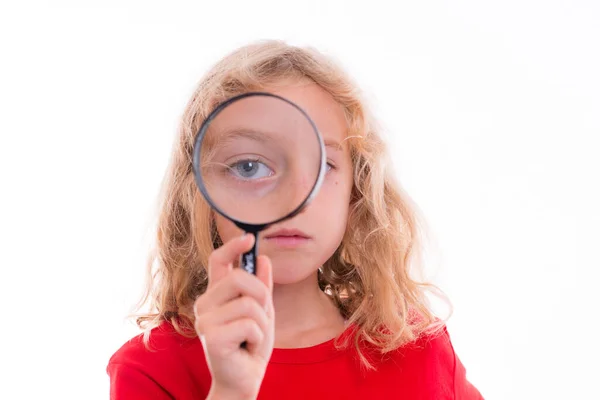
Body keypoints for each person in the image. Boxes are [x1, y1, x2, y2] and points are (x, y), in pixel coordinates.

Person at [107, 40, 483, 399]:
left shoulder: (419, 351)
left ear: (357, 192)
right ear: (200, 196)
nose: (293, 200)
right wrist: (231, 392)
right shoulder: (151, 369)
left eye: (322, 167)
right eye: (249, 166)